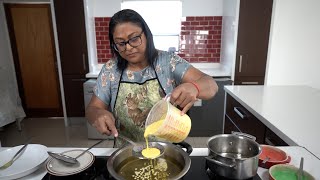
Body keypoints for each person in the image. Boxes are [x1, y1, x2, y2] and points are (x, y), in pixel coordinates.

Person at [86, 9, 218, 147]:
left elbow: (211, 85)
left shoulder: (168, 62)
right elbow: (92, 108)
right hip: (126, 152)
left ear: (147, 35)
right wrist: (97, 114)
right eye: (121, 43)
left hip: (167, 151)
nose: (129, 48)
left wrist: (195, 87)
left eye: (134, 38)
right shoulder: (110, 70)